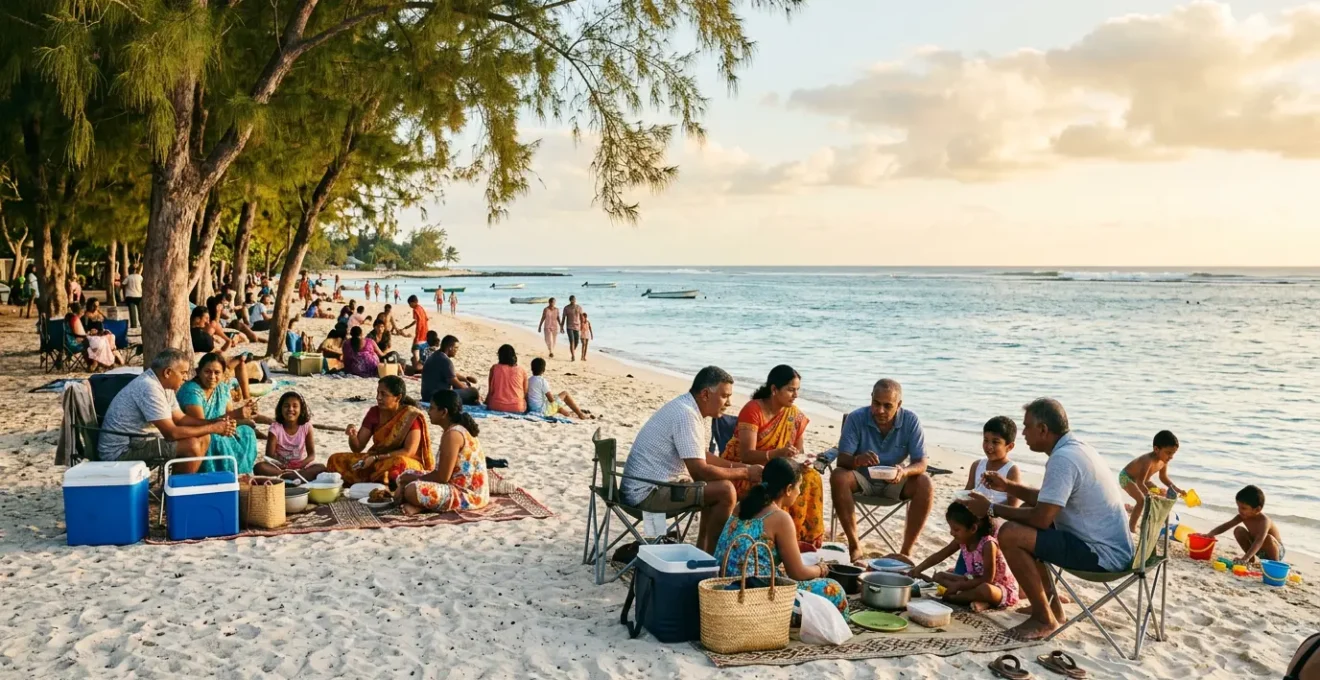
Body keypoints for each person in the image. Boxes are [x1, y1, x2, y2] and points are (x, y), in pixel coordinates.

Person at [960, 398, 1133, 641]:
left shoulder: (1063, 459)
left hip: (1102, 554)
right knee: (1026, 517)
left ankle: (1044, 619)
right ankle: (1053, 608)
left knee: (1010, 533)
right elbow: (1047, 500)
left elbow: (1042, 518)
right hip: (1110, 545)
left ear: (1043, 429)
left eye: (1027, 427)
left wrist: (990, 509)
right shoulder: (1076, 448)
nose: (1024, 433)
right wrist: (1009, 486)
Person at [621, 366, 762, 554]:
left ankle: (703, 551)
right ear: (705, 394)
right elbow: (699, 470)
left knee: (715, 487)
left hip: (642, 487)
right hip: (646, 494)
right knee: (725, 491)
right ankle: (713, 556)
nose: (728, 403)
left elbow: (703, 456)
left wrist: (744, 467)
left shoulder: (688, 408)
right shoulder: (686, 415)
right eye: (724, 396)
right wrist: (745, 473)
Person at [713, 457, 847, 612]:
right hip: (754, 597)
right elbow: (798, 573)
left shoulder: (742, 505)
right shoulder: (780, 518)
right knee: (834, 589)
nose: (799, 492)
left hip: (725, 588)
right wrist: (822, 568)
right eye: (799, 487)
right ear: (789, 489)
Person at [829, 378, 934, 561]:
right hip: (861, 480)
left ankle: (905, 552)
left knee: (925, 482)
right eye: (876, 404)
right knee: (838, 476)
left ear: (899, 404)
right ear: (871, 398)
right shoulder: (856, 418)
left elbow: (921, 462)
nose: (880, 411)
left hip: (895, 481)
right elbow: (842, 460)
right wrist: (857, 460)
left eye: (887, 406)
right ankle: (855, 546)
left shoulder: (911, 421)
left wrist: (904, 471)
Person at [721, 365, 823, 547]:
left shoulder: (795, 416)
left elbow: (797, 452)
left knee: (811, 478)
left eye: (797, 390)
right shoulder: (753, 410)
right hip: (748, 469)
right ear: (774, 389)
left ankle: (801, 542)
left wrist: (803, 460)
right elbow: (746, 455)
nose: (795, 395)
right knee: (784, 485)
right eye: (791, 390)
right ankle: (779, 540)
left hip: (780, 467)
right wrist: (777, 454)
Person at [99, 348, 238, 474]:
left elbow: (181, 419)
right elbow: (171, 433)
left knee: (204, 437)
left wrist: (213, 421)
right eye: (183, 373)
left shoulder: (165, 385)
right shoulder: (149, 387)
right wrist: (213, 428)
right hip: (121, 452)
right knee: (192, 445)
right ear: (167, 372)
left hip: (139, 442)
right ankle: (178, 494)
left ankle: (176, 489)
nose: (185, 377)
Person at [906, 502, 1020, 612]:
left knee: (985, 590)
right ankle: (970, 597)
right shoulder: (962, 541)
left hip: (998, 588)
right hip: (972, 580)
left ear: (973, 529)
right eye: (951, 528)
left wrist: (959, 585)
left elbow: (987, 580)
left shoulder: (988, 545)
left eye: (956, 529)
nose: (952, 533)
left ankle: (954, 598)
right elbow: (939, 555)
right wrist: (918, 569)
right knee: (939, 576)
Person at [326, 376, 434, 486]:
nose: (378, 397)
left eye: (384, 394)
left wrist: (377, 457)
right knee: (335, 460)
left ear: (398, 398)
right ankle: (374, 480)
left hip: (404, 462)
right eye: (377, 393)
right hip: (375, 461)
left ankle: (375, 480)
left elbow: (408, 452)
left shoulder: (410, 416)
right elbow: (357, 447)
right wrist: (352, 435)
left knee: (398, 463)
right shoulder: (374, 413)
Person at [396, 389, 490, 515]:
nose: (429, 412)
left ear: (444, 412)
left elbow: (442, 477)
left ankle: (422, 506)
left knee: (411, 490)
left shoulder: (453, 435)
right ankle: (421, 505)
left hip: (467, 495)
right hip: (455, 485)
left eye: (432, 408)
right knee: (404, 474)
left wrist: (412, 481)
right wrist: (408, 479)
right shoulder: (452, 430)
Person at [177, 352, 261, 474]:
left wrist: (237, 419)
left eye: (217, 373)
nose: (212, 376)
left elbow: (229, 416)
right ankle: (222, 477)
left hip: (219, 429)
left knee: (247, 432)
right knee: (216, 439)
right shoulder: (191, 391)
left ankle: (241, 474)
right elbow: (200, 424)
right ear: (198, 372)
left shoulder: (222, 388)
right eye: (207, 372)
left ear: (222, 374)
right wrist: (236, 414)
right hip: (199, 434)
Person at [1119, 430, 1184, 533]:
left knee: (1161, 493)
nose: (1171, 457)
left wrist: (1177, 489)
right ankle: (1131, 529)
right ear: (1156, 449)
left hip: (1143, 480)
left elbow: (1163, 477)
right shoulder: (1147, 460)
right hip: (1127, 477)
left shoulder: (1163, 461)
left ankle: (1153, 522)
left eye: (1173, 453)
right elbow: (1140, 483)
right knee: (1141, 500)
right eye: (1168, 453)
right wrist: (1149, 494)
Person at [253, 391, 326, 481]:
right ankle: (289, 476)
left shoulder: (307, 427)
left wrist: (301, 464)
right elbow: (269, 456)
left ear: (301, 409)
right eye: (286, 406)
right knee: (259, 467)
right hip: (280, 468)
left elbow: (311, 455)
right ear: (281, 409)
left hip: (301, 467)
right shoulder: (275, 428)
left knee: (321, 467)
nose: (291, 409)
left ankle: (291, 477)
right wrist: (282, 465)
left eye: (295, 406)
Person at [1204, 485, 1284, 563]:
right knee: (1238, 530)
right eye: (1238, 507)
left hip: (1276, 550)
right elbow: (1226, 526)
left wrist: (1245, 557)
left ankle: (1275, 564)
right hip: (1257, 549)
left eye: (1243, 508)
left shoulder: (1264, 521)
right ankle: (1250, 559)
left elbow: (1260, 540)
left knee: (1267, 538)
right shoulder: (1243, 516)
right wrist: (1210, 534)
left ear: (1257, 509)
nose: (1240, 510)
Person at [966, 416, 1022, 507]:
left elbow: (1013, 505)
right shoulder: (977, 465)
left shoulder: (1011, 470)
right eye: (986, 440)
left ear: (1009, 447)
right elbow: (968, 491)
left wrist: (989, 508)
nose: (989, 446)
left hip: (997, 516)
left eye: (995, 442)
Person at [421, 334, 480, 405]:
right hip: (436, 397)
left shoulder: (435, 355)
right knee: (473, 392)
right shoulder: (445, 361)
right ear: (450, 348)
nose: (457, 350)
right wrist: (467, 389)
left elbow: (451, 373)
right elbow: (454, 381)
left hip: (425, 395)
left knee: (460, 387)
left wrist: (464, 379)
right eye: (456, 348)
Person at [66, 301, 123, 369]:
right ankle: (101, 362)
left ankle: (102, 361)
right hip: (77, 342)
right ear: (80, 311)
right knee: (101, 341)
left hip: (73, 340)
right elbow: (80, 334)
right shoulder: (75, 319)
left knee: (102, 339)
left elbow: (79, 333)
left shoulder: (71, 318)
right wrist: (90, 333)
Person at [485, 344, 529, 413]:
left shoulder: (494, 368)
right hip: (517, 407)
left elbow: (490, 390)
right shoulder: (521, 370)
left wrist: (487, 402)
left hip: (496, 406)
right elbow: (525, 392)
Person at [401, 295, 429, 362]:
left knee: (414, 349)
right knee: (422, 349)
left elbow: (419, 323)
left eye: (410, 304)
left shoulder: (415, 310)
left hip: (420, 332)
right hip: (425, 331)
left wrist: (417, 335)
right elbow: (425, 319)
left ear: (413, 302)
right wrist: (408, 326)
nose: (409, 306)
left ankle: (417, 364)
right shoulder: (421, 308)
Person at [561, 295, 584, 361]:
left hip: (577, 326)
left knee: (577, 342)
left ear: (575, 300)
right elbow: (563, 317)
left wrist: (582, 325)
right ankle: (573, 356)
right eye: (572, 300)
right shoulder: (566, 308)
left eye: (574, 299)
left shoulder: (579, 307)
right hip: (569, 327)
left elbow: (581, 317)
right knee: (572, 341)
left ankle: (572, 350)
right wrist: (561, 326)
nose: (573, 301)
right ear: (570, 300)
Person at [122, 264, 144, 329]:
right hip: (139, 295)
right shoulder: (140, 277)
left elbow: (123, 284)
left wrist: (124, 293)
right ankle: (142, 323)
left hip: (130, 296)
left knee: (132, 312)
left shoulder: (128, 277)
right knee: (140, 311)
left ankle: (134, 325)